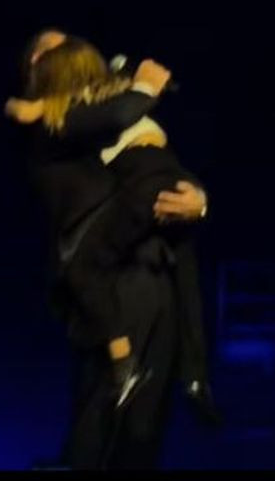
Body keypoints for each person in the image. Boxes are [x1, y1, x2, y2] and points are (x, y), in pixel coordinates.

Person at [14, 30, 213, 470]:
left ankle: (196, 376)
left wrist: (198, 200)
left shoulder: (105, 107)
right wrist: (143, 88)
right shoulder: (52, 120)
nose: (61, 53)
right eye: (46, 50)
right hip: (111, 283)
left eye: (66, 45)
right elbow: (117, 120)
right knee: (102, 424)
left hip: (155, 271)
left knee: (143, 432)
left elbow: (159, 166)